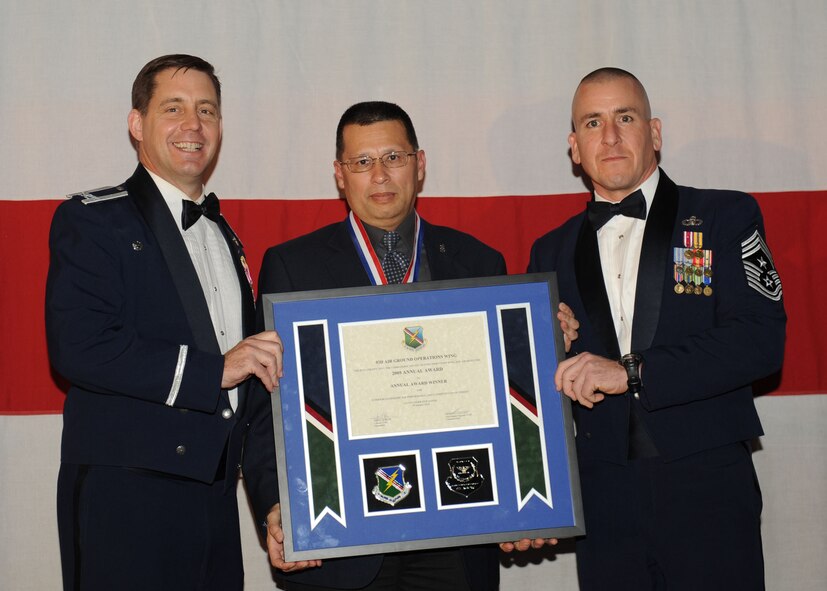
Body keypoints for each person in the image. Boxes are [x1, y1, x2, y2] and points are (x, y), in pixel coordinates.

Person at [258, 101, 570, 590]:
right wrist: (277, 506)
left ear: (419, 165)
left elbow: (513, 399)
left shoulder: (479, 263)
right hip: (341, 544)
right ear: (340, 175)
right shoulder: (292, 268)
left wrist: (528, 498)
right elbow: (267, 408)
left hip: (458, 535)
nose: (379, 175)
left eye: (394, 158)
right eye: (362, 162)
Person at [527, 67, 786, 590]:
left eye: (626, 117)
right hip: (601, 499)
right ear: (575, 147)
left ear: (656, 132)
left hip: (706, 487)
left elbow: (760, 340)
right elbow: (537, 389)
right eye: (593, 123)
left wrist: (632, 372)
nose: (612, 135)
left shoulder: (723, 216)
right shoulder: (548, 251)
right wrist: (548, 344)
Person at [46, 54, 283, 591]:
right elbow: (78, 347)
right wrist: (211, 371)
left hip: (217, 501)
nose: (193, 125)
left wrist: (277, 497)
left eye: (206, 110)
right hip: (128, 499)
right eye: (173, 108)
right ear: (137, 124)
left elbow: (251, 388)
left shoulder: (226, 236)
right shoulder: (94, 218)